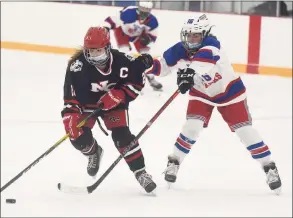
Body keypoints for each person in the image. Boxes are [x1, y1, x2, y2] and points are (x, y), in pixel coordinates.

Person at [146, 14, 282, 194]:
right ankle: (174, 161)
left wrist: (188, 73)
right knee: (191, 127)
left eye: (196, 35)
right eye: (188, 35)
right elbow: (162, 67)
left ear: (205, 34)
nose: (191, 39)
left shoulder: (212, 46)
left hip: (230, 93)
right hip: (201, 93)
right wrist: (145, 65)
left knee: (245, 131)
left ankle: (269, 167)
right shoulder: (180, 50)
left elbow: (202, 64)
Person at [61, 26, 156, 193]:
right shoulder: (76, 67)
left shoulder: (123, 61)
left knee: (122, 137)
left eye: (98, 51)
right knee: (78, 137)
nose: (94, 55)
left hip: (114, 105)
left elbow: (137, 81)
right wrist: (70, 115)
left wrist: (120, 94)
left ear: (107, 48)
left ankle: (141, 172)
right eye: (91, 51)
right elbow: (71, 97)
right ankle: (93, 152)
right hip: (86, 106)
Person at [103, 0, 163, 91]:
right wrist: (106, 28)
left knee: (147, 56)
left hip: (138, 36)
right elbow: (111, 20)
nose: (144, 12)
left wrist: (148, 39)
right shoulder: (128, 13)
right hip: (123, 33)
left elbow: (153, 36)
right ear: (138, 7)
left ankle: (151, 78)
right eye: (143, 8)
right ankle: (120, 78)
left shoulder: (153, 21)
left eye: (147, 9)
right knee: (124, 53)